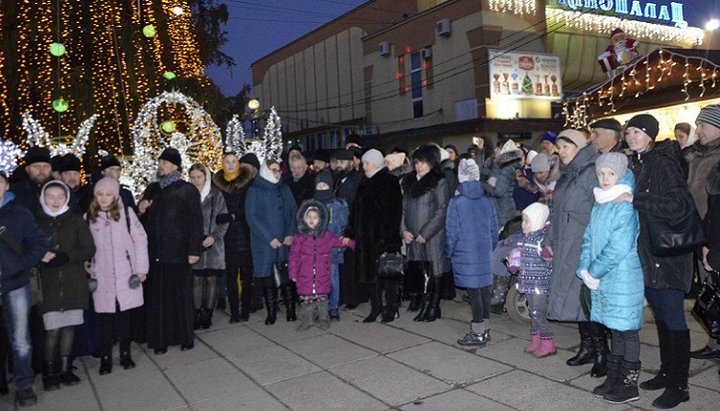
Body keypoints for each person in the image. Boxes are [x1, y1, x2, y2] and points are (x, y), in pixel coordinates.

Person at [618, 114, 693, 408]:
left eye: (638, 131)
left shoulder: (662, 162)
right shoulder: (639, 162)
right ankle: (666, 371)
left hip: (668, 254)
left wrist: (634, 200)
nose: (632, 136)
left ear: (650, 134)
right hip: (648, 253)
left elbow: (678, 205)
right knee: (660, 316)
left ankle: (680, 385)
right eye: (630, 131)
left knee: (674, 318)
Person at [576, 153, 644, 404]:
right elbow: (588, 240)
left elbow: (620, 244)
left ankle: (629, 385)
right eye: (601, 173)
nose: (605, 178)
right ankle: (614, 378)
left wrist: (594, 271)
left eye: (611, 174)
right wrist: (584, 269)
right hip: (603, 277)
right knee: (614, 329)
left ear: (620, 174)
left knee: (627, 331)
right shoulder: (600, 202)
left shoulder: (623, 203)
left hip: (622, 276)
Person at [547, 129, 608, 377]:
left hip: (584, 246)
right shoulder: (567, 175)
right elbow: (555, 211)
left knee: (588, 301)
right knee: (576, 300)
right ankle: (587, 347)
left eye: (566, 147)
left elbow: (601, 212)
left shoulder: (592, 173)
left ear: (580, 148)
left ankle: (603, 351)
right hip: (565, 244)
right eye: (559, 148)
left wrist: (595, 246)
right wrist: (549, 240)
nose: (560, 152)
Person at [138, 147, 203, 354]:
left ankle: (184, 336)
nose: (161, 166)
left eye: (164, 163)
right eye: (160, 163)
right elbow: (142, 219)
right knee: (159, 299)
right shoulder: (153, 189)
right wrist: (141, 209)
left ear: (175, 166)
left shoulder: (186, 190)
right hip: (156, 253)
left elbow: (195, 222)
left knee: (180, 296)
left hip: (179, 252)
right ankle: (161, 339)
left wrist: (194, 249)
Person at [36, 180, 95, 390]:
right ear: (44, 197)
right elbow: (29, 248)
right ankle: (49, 371)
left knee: (69, 327)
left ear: (66, 198)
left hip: (72, 282)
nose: (55, 200)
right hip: (49, 285)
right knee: (52, 330)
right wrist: (40, 256)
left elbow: (89, 248)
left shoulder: (75, 220)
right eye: (50, 196)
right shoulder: (37, 221)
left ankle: (65, 368)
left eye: (59, 196)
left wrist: (67, 256)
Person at [86, 177, 148, 375]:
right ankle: (106, 358)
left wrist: (141, 269)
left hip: (125, 273)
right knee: (105, 319)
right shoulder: (89, 216)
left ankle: (125, 354)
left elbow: (140, 240)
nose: (104, 198)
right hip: (102, 274)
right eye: (100, 194)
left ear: (115, 196)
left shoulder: (127, 214)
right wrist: (86, 264)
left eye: (108, 194)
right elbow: (84, 246)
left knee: (124, 317)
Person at [0, 170, 47, 406]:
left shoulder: (20, 214)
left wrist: (20, 264)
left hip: (15, 284)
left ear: (6, 185)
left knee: (20, 338)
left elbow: (38, 243)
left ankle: (24, 384)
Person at [345, 149, 402, 323]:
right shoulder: (364, 183)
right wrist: (351, 230)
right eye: (363, 163)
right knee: (371, 276)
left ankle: (391, 308)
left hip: (384, 238)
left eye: (367, 163)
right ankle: (375, 308)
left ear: (376, 164)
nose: (364, 166)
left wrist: (391, 239)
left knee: (389, 276)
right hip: (366, 239)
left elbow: (395, 212)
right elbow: (356, 210)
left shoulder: (389, 181)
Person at [445, 159, 497, 346]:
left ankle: (478, 333)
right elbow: (493, 228)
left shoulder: (456, 202)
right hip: (484, 252)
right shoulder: (487, 200)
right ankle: (486, 329)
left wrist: (449, 252)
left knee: (474, 293)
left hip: (465, 253)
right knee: (484, 292)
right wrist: (491, 248)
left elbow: (452, 231)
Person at [401, 145, 451, 322]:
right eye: (417, 162)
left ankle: (433, 305)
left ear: (432, 163)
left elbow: (442, 210)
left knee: (434, 269)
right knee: (418, 269)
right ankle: (423, 304)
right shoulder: (409, 182)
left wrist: (426, 232)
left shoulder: (439, 182)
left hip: (432, 235)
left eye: (424, 162)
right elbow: (404, 209)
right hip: (413, 235)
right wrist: (404, 230)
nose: (419, 166)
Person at [246, 160, 298, 325]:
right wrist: (269, 238)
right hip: (264, 243)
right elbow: (252, 217)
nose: (276, 173)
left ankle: (291, 310)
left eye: (278, 170)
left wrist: (290, 234)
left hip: (284, 240)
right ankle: (271, 312)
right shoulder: (255, 190)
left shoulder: (284, 188)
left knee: (287, 276)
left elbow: (293, 212)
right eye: (273, 170)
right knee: (267, 277)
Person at [289, 200, 354, 330]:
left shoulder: (326, 235)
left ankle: (324, 320)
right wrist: (293, 272)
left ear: (320, 219)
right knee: (306, 300)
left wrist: (351, 243)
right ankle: (307, 321)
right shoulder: (299, 237)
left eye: (315, 217)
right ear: (304, 218)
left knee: (322, 300)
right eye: (309, 217)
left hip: (322, 273)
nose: (312, 220)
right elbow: (293, 256)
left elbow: (338, 241)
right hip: (305, 274)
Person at [687, 106, 720, 360]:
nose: (698, 131)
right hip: (699, 234)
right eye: (697, 125)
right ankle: (715, 339)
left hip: (714, 234)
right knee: (709, 290)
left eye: (703, 126)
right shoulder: (696, 155)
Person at [213, 152, 259, 322]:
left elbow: (250, 208)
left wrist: (234, 215)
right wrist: (225, 217)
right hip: (226, 236)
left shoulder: (247, 183)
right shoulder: (217, 185)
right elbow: (216, 211)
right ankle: (234, 312)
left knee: (246, 275)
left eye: (234, 162)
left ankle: (245, 309)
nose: (231, 165)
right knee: (231, 275)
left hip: (245, 234)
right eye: (227, 162)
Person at [189, 164, 229, 329]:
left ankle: (207, 314)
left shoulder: (215, 195)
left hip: (213, 245)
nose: (196, 181)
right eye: (193, 177)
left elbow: (224, 220)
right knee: (197, 280)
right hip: (194, 245)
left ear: (206, 177)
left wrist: (214, 236)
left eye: (199, 177)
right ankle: (197, 313)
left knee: (211, 280)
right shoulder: (188, 195)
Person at [313, 170, 349, 320]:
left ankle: (333, 307)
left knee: (333, 278)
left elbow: (343, 224)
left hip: (332, 248)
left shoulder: (338, 204)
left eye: (324, 185)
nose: (321, 188)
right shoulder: (310, 204)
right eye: (319, 185)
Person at [331, 149, 362, 309]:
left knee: (351, 265)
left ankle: (353, 298)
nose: (340, 165)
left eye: (343, 162)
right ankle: (343, 296)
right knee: (341, 265)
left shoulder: (355, 179)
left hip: (350, 227)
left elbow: (355, 205)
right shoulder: (337, 179)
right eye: (338, 162)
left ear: (351, 162)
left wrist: (350, 229)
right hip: (338, 226)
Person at [482, 140, 523, 230]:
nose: (495, 150)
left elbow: (498, 191)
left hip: (503, 211)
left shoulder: (506, 169)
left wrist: (484, 185)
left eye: (498, 148)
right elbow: (484, 172)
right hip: (500, 208)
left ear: (504, 150)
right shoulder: (500, 166)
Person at [11, 146, 53, 214]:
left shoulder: (62, 189)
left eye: (46, 166)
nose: (41, 170)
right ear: (27, 169)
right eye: (36, 166)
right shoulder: (14, 191)